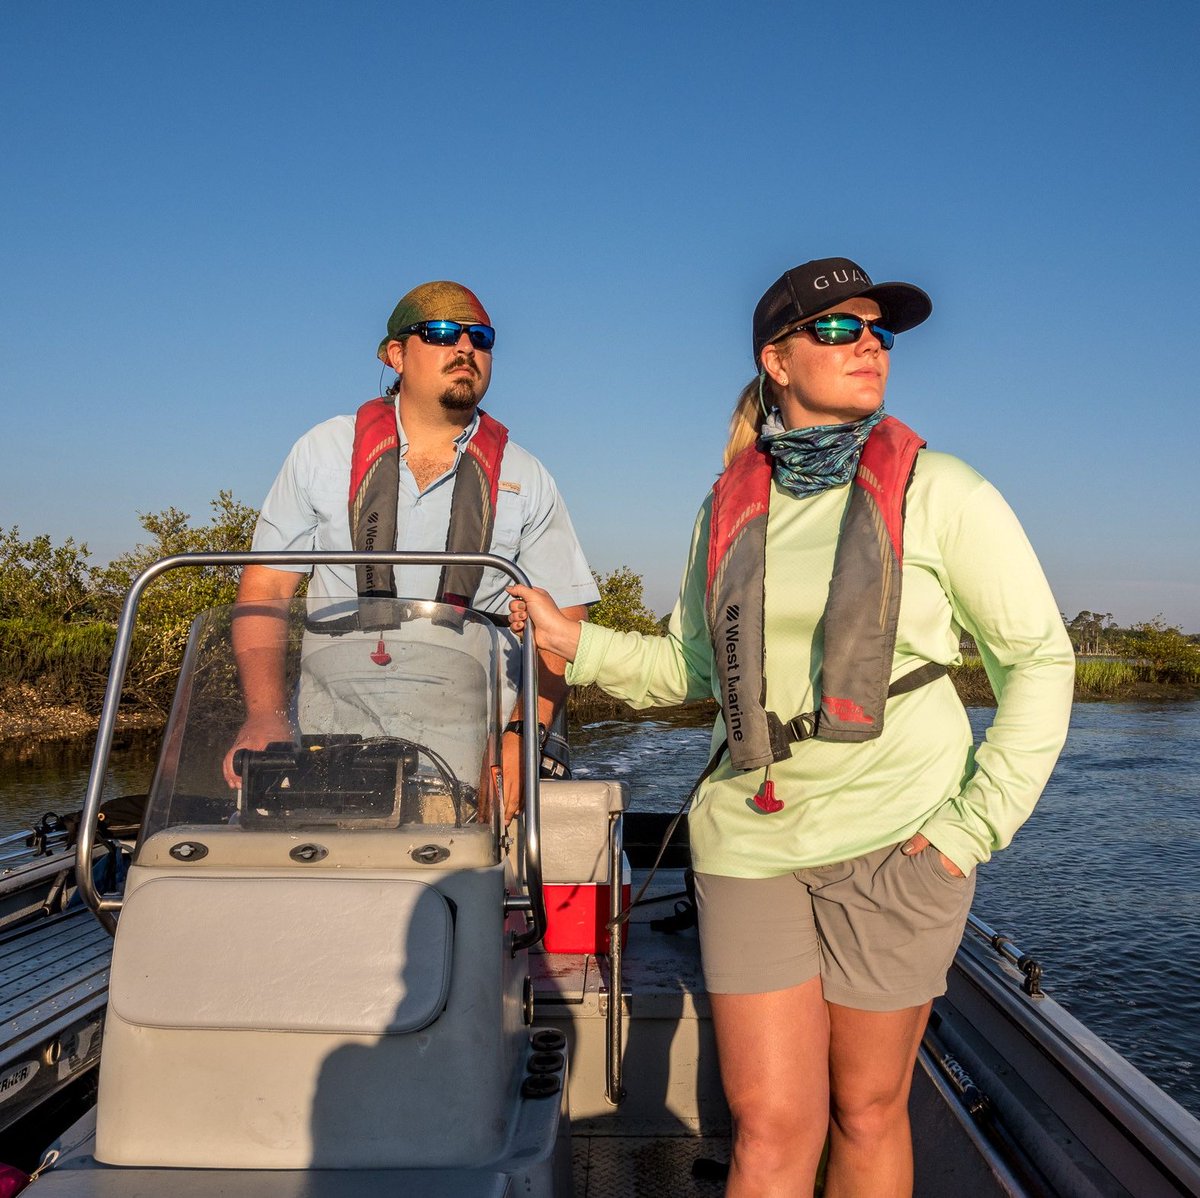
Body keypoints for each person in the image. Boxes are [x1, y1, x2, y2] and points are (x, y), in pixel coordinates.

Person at [510, 257, 1074, 1197]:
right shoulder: (726, 505)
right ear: (777, 359)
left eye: (880, 334)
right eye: (840, 331)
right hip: (749, 843)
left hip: (899, 841)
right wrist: (580, 640)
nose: (871, 350)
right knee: (772, 1125)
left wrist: (964, 835)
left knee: (865, 1111)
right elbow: (692, 670)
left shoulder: (946, 492)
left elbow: (1040, 663)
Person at [223, 281, 598, 820]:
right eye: (441, 333)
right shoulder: (321, 451)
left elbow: (566, 618)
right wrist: (263, 716)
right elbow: (266, 591)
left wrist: (521, 737)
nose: (465, 347)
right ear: (396, 354)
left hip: (476, 762)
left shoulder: (526, 475)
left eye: (481, 338)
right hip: (331, 754)